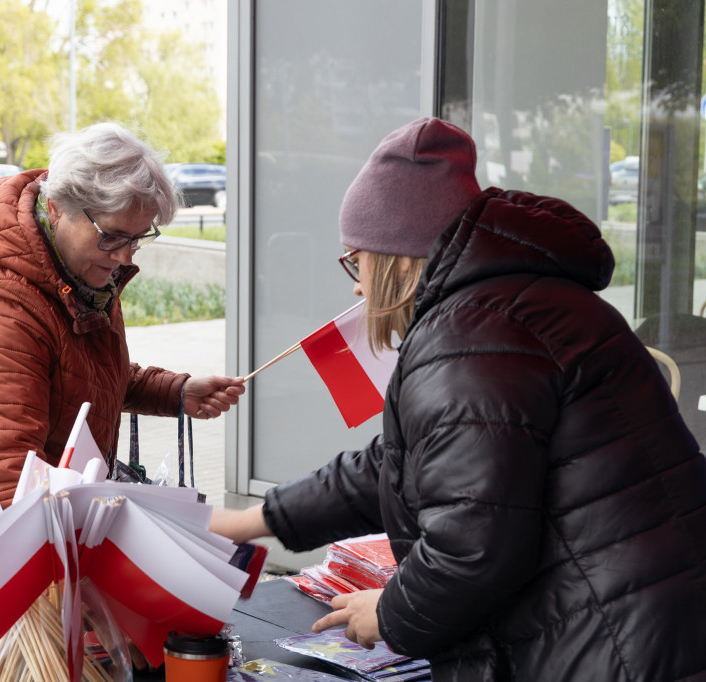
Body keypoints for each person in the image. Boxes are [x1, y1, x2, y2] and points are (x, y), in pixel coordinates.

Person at [211, 117, 706, 680]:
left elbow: (472, 548)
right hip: (648, 617)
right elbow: (399, 465)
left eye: (358, 260)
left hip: (613, 641)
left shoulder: (470, 335)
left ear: (397, 258)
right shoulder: (519, 303)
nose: (355, 285)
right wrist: (254, 520)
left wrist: (390, 614)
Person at [0, 122, 244, 532]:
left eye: (139, 238)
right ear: (59, 208)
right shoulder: (3, 300)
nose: (126, 257)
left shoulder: (78, 270)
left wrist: (175, 393)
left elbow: (78, 375)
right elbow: (10, 476)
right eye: (113, 237)